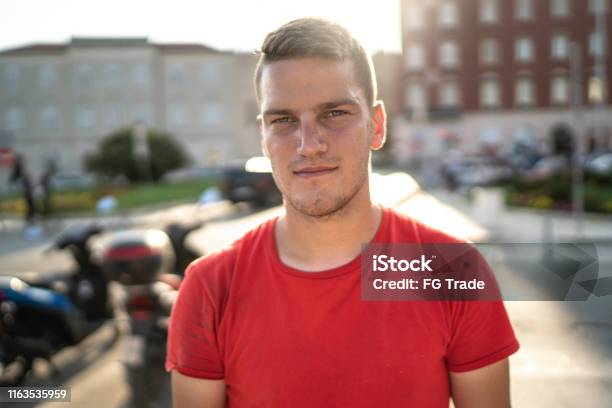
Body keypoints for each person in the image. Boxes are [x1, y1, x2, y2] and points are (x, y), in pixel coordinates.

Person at [166, 18, 519, 408]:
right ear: (263, 138)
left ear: (377, 126)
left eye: (334, 113)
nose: (309, 144)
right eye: (282, 120)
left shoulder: (452, 271)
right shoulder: (209, 288)